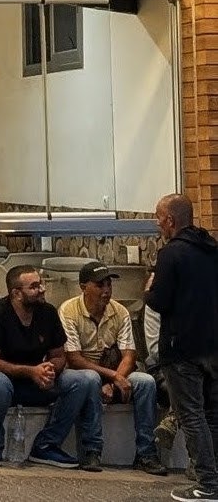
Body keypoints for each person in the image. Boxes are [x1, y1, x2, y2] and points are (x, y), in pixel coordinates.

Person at [0, 264, 99, 468]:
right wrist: (31, 371)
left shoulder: (48, 312)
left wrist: (49, 370)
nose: (42, 289)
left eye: (40, 284)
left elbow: (59, 356)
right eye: (34, 286)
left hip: (31, 381)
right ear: (16, 293)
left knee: (85, 379)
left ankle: (46, 445)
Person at [57, 261, 166, 475]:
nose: (106, 291)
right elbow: (74, 358)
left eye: (109, 285)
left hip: (114, 372)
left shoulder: (120, 311)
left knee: (146, 382)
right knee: (90, 379)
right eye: (99, 285)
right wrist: (112, 377)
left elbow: (129, 355)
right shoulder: (69, 310)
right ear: (83, 287)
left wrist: (115, 380)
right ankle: (91, 450)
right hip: (83, 374)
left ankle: (146, 452)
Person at [145, 193, 218, 502]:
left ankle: (207, 483)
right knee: (212, 414)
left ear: (171, 220)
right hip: (212, 346)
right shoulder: (212, 249)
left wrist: (148, 290)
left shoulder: (171, 254)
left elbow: (159, 301)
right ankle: (214, 476)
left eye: (158, 218)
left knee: (191, 415)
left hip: (181, 348)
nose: (157, 224)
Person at [144, 303, 190, 478]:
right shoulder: (155, 304)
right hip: (164, 366)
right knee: (189, 388)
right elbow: (156, 349)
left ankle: (172, 418)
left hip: (197, 366)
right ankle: (198, 462)